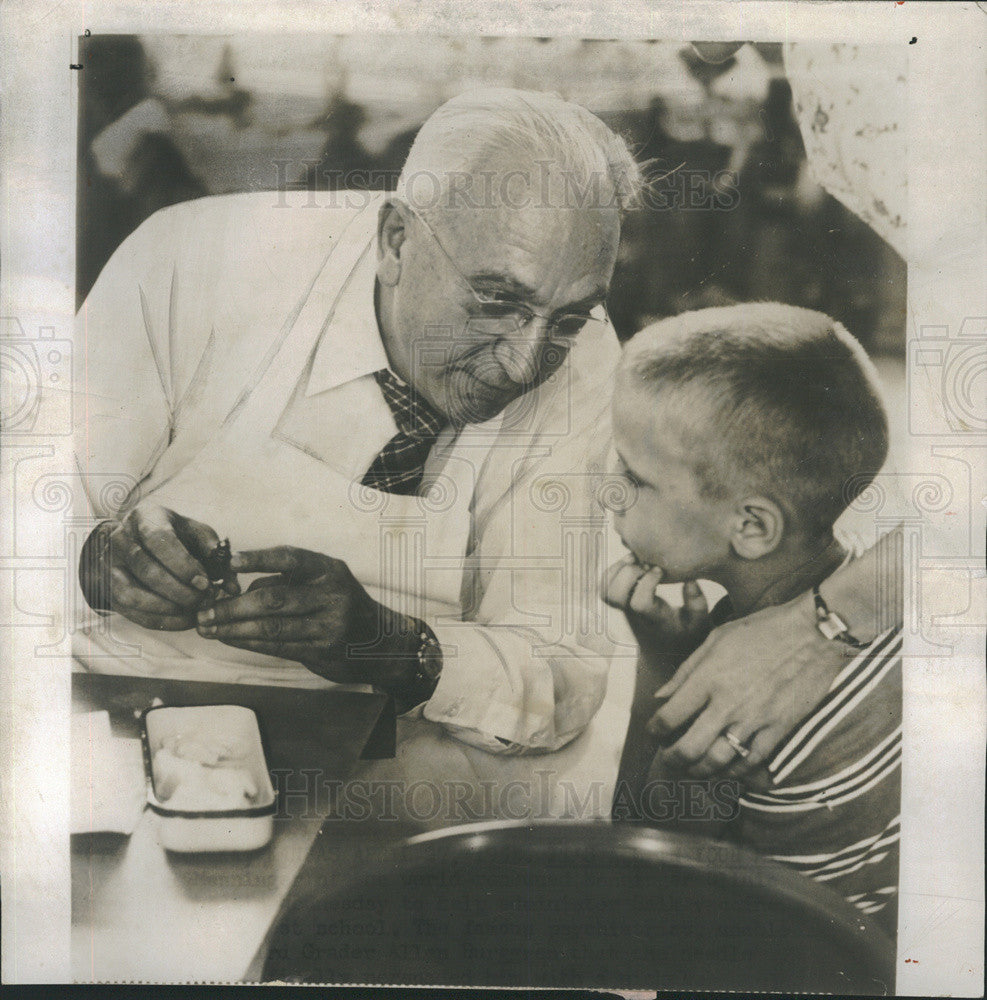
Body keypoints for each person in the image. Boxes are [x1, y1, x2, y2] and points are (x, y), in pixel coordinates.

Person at [74, 86, 898, 794]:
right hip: (120, 708)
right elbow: (24, 501)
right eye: (496, 300)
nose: (524, 362)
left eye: (570, 316)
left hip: (393, 762)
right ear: (395, 241)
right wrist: (96, 561)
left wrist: (394, 648)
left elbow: (562, 676)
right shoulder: (192, 263)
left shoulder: (586, 366)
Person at [604, 303, 900, 930]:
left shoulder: (744, 710)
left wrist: (659, 672)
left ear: (752, 526)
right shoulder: (891, 614)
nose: (609, 491)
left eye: (633, 476)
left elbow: (638, 867)